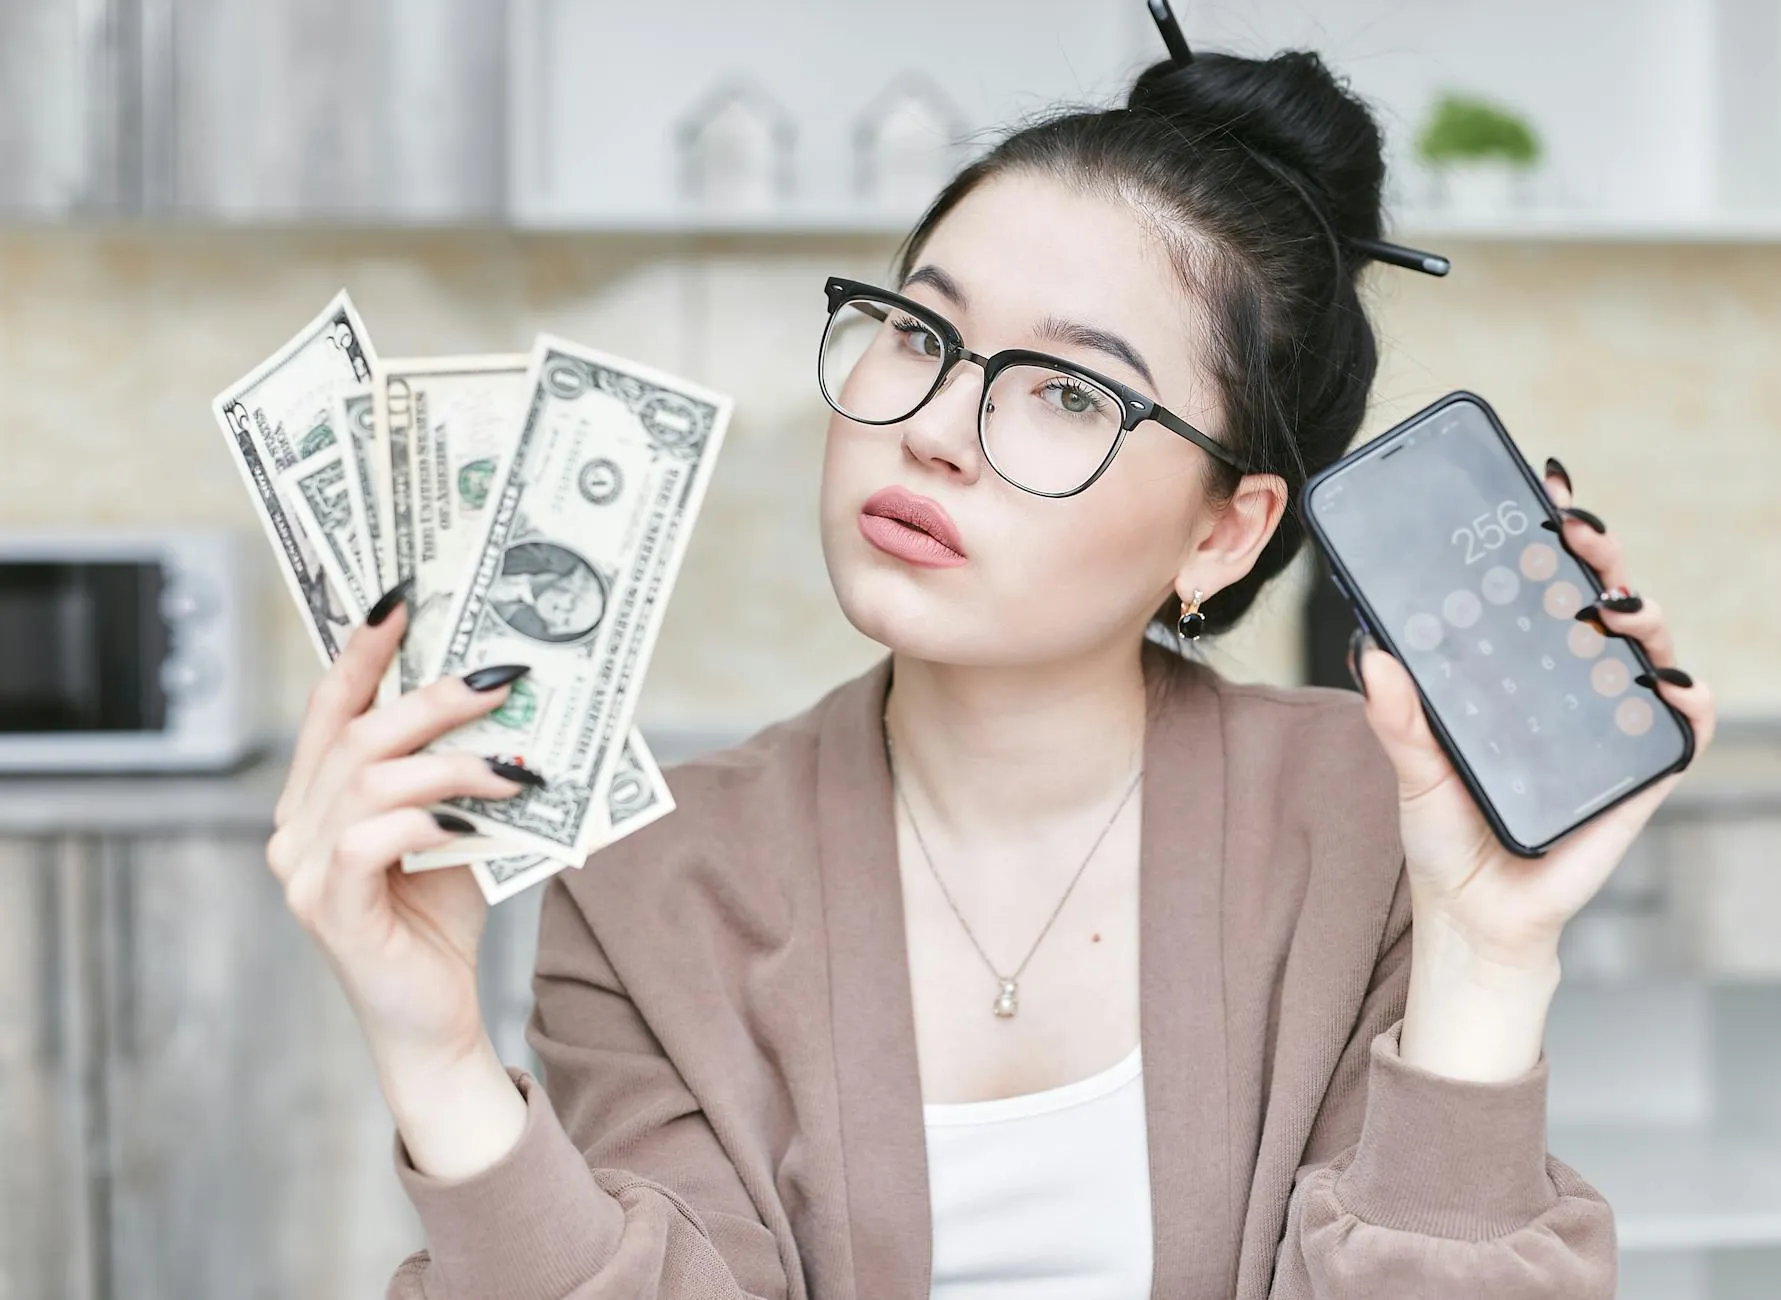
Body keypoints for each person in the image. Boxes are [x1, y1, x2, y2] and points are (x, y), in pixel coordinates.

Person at [265, 17, 1715, 1300]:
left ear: (1225, 532)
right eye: (915, 331)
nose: (935, 426)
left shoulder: (1382, 823)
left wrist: (1485, 954)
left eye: (1069, 393)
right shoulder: (651, 883)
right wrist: (441, 1057)